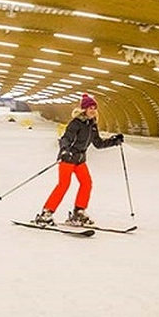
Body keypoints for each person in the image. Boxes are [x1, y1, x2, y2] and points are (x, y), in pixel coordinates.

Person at [35, 93, 124, 227]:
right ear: (84, 109)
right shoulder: (76, 123)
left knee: (87, 183)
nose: (93, 110)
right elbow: (65, 138)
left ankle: (79, 211)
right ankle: (46, 213)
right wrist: (65, 150)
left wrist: (113, 141)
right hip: (69, 157)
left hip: (80, 160)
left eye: (94, 108)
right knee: (63, 185)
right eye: (90, 108)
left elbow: (98, 144)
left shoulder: (92, 125)